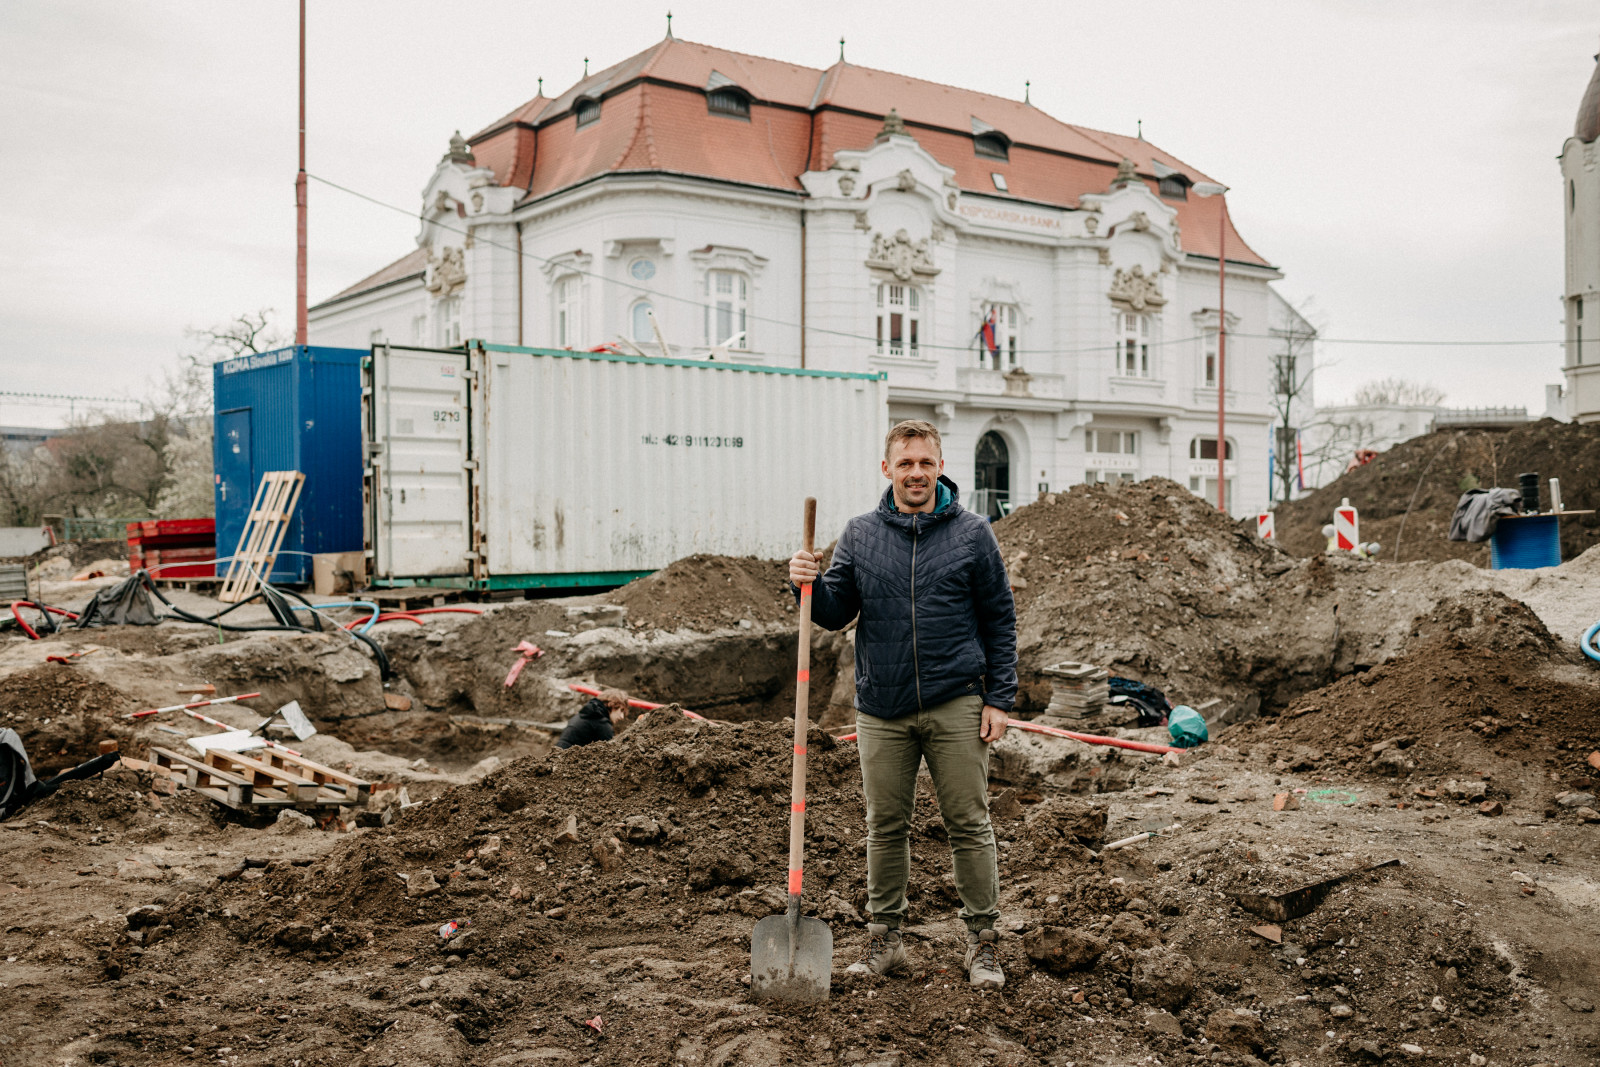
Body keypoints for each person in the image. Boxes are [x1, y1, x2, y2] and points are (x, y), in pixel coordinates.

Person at [789, 419, 1017, 990]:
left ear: (941, 467)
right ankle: (885, 939)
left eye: (926, 462)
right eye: (905, 462)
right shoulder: (861, 534)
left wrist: (1000, 698)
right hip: (882, 706)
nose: (916, 472)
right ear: (886, 469)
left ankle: (983, 941)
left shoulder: (973, 534)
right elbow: (835, 611)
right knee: (886, 826)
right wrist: (804, 585)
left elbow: (1000, 621)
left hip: (956, 701)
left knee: (968, 822)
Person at [555, 688, 631, 749]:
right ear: (611, 704)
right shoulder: (602, 724)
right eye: (621, 710)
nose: (622, 717)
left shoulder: (587, 713)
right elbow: (611, 754)